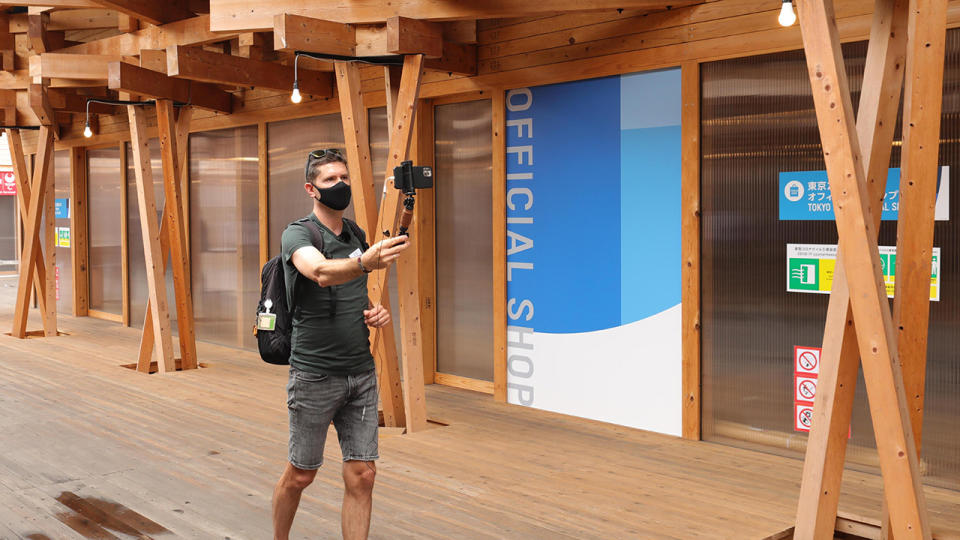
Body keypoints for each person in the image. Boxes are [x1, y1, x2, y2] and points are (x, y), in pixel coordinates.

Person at [272, 148, 409, 540]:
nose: (341, 185)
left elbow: (355, 288)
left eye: (345, 177)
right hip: (314, 375)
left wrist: (374, 310)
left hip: (361, 374)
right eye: (331, 180)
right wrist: (366, 262)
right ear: (311, 189)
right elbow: (318, 271)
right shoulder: (297, 234)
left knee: (363, 475)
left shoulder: (355, 235)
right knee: (300, 475)